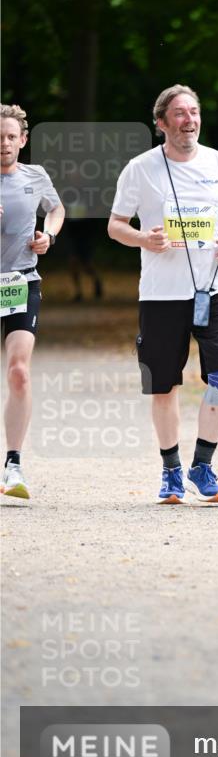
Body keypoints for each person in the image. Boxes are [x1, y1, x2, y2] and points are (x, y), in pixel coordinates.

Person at [108, 84, 218, 504]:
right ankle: (170, 472)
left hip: (212, 289)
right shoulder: (140, 168)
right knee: (164, 386)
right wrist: (142, 239)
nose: (190, 120)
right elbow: (116, 225)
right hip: (161, 295)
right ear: (162, 123)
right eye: (180, 114)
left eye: (194, 112)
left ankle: (202, 466)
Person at [0, 103, 65, 499]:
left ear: (23, 141)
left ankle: (13, 464)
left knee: (19, 372)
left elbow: (56, 209)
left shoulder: (35, 176)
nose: (4, 144)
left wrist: (48, 236)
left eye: (10, 137)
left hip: (21, 281)